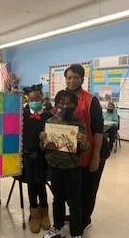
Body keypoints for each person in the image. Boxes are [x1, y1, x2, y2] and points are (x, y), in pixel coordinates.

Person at [63, 64, 109, 231]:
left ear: (82, 79)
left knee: (88, 190)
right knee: (73, 188)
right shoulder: (63, 100)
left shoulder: (90, 100)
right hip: (72, 154)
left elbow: (98, 129)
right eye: (69, 77)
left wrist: (95, 156)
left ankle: (84, 219)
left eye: (76, 77)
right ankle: (76, 215)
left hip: (93, 151)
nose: (72, 80)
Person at [41, 90, 88, 238]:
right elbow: (43, 146)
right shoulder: (50, 122)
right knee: (57, 200)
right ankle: (57, 227)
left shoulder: (79, 124)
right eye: (61, 102)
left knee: (74, 203)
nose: (65, 106)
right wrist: (43, 142)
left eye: (69, 103)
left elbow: (85, 149)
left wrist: (84, 142)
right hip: (54, 167)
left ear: (75, 105)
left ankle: (76, 233)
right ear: (56, 104)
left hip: (73, 168)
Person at [22, 85, 53, 234]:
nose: (35, 101)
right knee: (31, 185)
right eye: (32, 99)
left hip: (43, 157)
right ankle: (34, 214)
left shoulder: (48, 116)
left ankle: (44, 213)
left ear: (42, 99)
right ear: (28, 100)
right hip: (27, 157)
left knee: (41, 184)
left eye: (37, 99)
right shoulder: (22, 116)